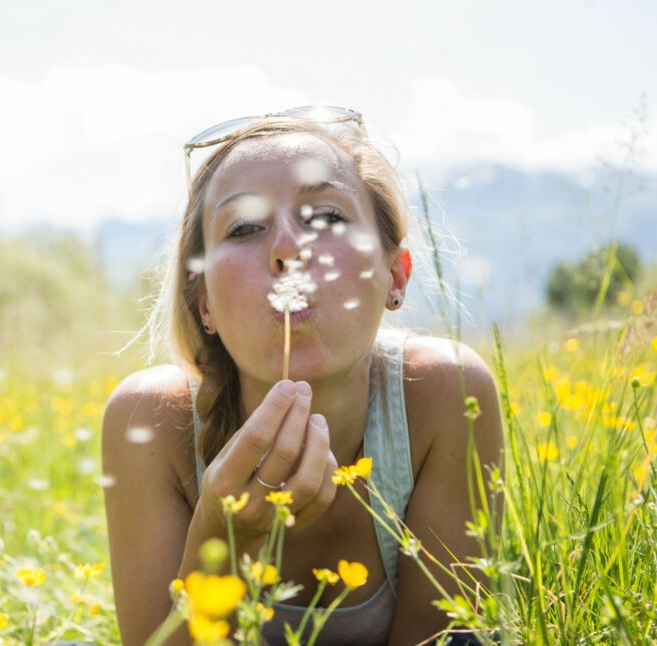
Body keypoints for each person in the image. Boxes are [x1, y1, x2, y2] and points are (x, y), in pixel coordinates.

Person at [102, 106, 504, 645]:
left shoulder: (445, 394)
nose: (288, 249)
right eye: (244, 228)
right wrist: (221, 540)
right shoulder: (151, 423)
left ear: (394, 275)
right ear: (204, 305)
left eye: (327, 217)